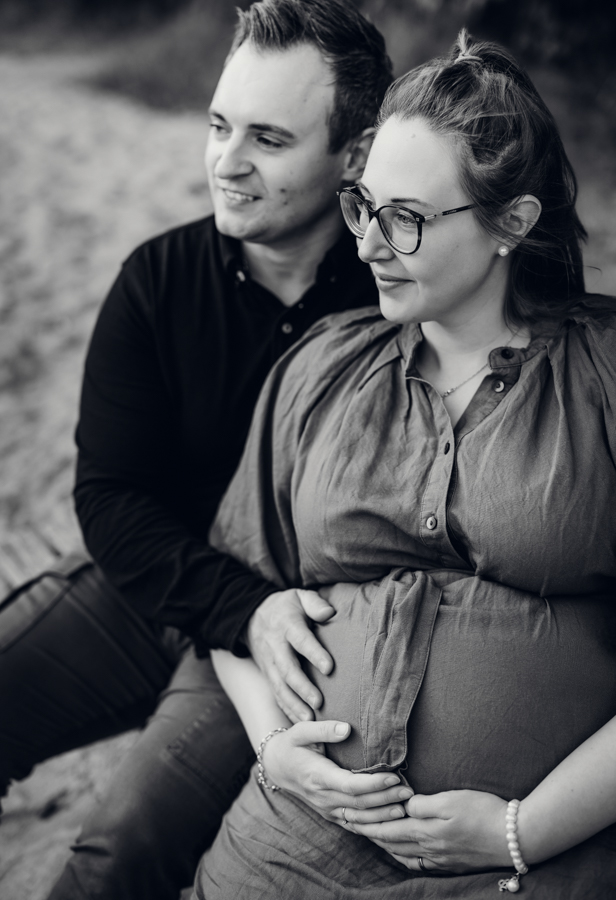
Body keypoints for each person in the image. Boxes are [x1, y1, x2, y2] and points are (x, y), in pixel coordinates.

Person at [190, 29, 616, 899]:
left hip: (532, 861)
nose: (368, 247)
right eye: (363, 207)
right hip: (293, 836)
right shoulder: (323, 365)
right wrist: (274, 747)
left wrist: (521, 830)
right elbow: (234, 587)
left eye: (406, 219)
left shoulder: (602, 376)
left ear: (512, 223)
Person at [0, 2, 396, 898]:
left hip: (297, 641)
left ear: (355, 155)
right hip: (160, 584)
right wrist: (234, 606)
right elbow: (110, 499)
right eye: (219, 125)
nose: (226, 161)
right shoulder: (157, 279)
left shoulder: (396, 294)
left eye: (268, 138)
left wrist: (261, 620)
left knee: (120, 851)